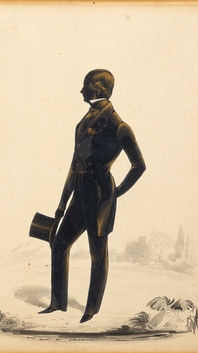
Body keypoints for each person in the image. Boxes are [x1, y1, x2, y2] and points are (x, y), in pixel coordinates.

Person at [39, 69, 146, 323]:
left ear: (98, 89)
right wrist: (61, 205)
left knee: (97, 255)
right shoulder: (83, 122)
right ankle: (57, 303)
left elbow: (139, 165)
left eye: (85, 86)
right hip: (79, 193)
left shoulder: (119, 126)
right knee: (59, 244)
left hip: (100, 197)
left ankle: (91, 309)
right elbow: (73, 164)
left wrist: (118, 191)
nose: (81, 90)